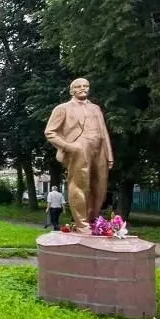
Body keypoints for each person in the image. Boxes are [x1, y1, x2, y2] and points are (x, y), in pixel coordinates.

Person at [44, 78, 114, 233]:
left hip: (99, 149)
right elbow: (50, 132)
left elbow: (104, 131)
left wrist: (109, 154)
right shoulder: (63, 108)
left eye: (86, 86)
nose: (83, 88)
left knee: (100, 187)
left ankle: (94, 221)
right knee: (79, 185)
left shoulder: (95, 108)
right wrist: (69, 147)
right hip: (79, 148)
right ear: (72, 90)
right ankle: (82, 224)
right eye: (79, 86)